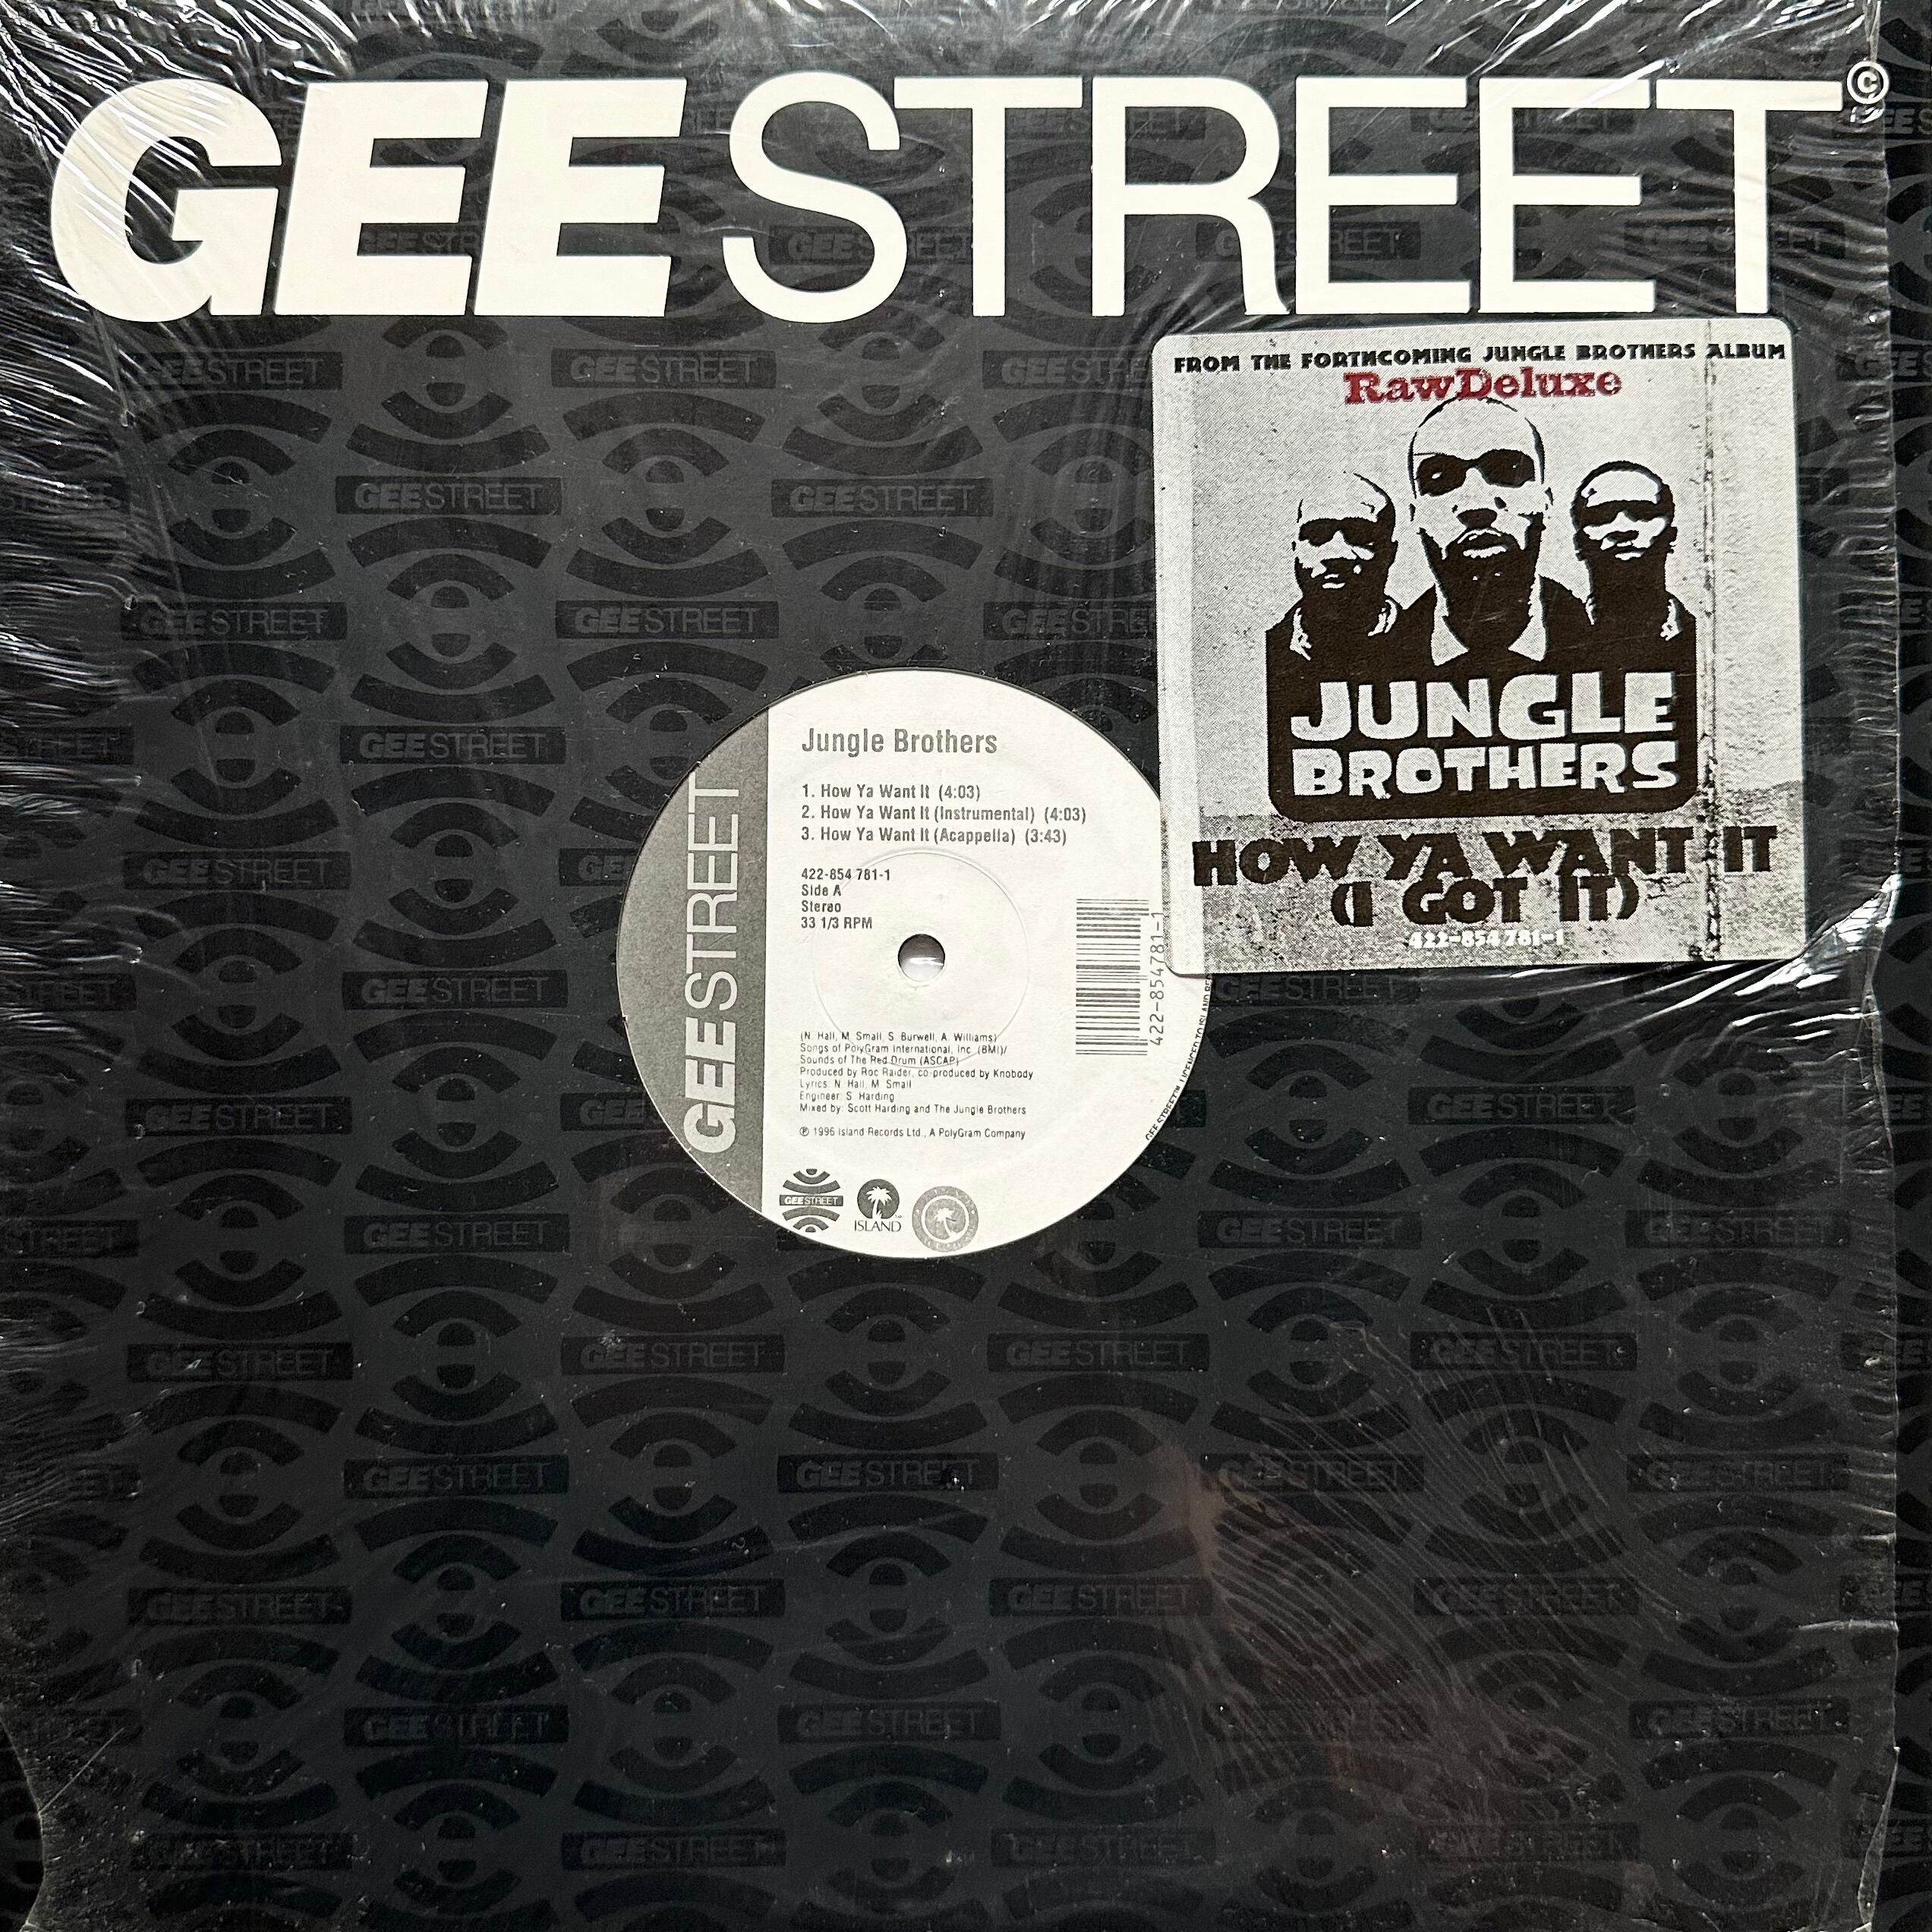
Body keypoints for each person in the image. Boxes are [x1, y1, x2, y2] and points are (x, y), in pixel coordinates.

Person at [1393, 397, 1587, 670]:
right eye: (1440, 480)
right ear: (1416, 516)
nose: (1477, 507)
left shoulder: (1597, 635)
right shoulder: (1388, 651)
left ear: (1546, 502)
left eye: (1508, 472)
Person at [1265, 476, 1401, 814]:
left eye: (1360, 536)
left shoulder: (1430, 645)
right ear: (1295, 550)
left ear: (1389, 553)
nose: (1336, 553)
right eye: (1317, 536)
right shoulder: (1262, 656)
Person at [1570, 461, 1697, 657]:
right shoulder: (1559, 641)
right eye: (1602, 516)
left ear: (1671, 536)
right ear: (1580, 543)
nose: (1623, 528)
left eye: (1644, 512)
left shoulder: (1703, 639)